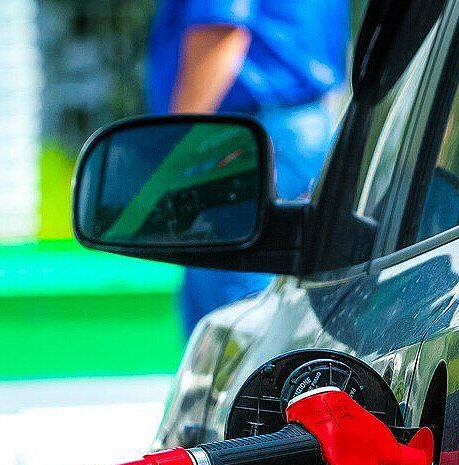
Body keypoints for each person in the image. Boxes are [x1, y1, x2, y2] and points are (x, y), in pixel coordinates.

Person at [147, 0, 350, 334]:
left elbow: (221, 29)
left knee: (236, 330)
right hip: (297, 130)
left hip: (240, 141)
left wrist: (173, 155)